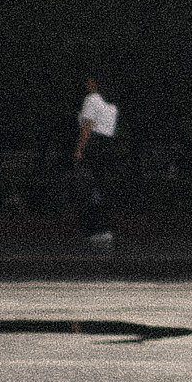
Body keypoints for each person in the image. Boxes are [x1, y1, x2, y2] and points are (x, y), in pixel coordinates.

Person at [73, 74, 119, 251]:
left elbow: (87, 126)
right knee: (100, 187)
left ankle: (92, 229)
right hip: (107, 146)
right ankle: (104, 228)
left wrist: (79, 149)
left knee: (87, 187)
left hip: (94, 145)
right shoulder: (111, 105)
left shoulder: (91, 99)